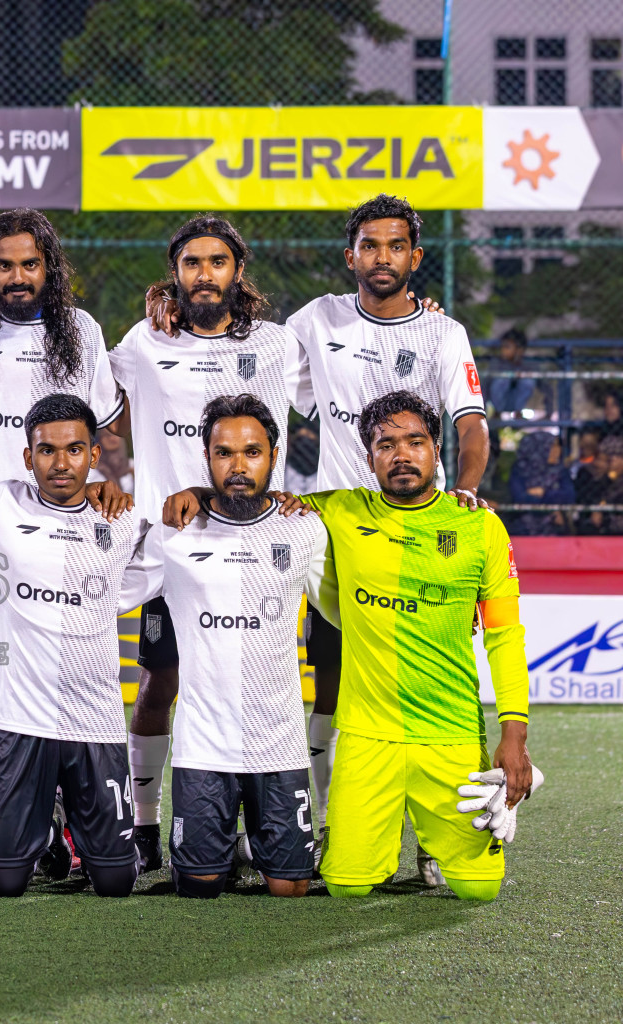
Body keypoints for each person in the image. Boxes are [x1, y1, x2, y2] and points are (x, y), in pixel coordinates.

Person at [166, 390, 535, 902]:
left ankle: (436, 844)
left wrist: (514, 737)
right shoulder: (335, 511)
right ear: (369, 458)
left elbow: (505, 637)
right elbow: (252, 498)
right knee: (345, 884)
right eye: (386, 444)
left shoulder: (480, 527)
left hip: (450, 734)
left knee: (479, 890)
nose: (401, 455)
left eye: (415, 442)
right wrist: (197, 491)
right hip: (366, 738)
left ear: (437, 450)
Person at [282, 195, 489, 866]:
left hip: (422, 530)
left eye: (395, 246)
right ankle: (333, 826)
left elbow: (469, 424)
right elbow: (259, 368)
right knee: (336, 682)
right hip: (340, 535)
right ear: (352, 257)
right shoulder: (317, 319)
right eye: (369, 246)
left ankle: (439, 838)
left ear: (415, 257)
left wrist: (466, 491)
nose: (381, 257)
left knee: (440, 684)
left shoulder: (442, 333)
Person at [106, 215, 311, 871]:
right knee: (158, 683)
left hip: (254, 543)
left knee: (251, 678)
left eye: (217, 262)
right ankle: (143, 824)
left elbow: (339, 394)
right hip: (169, 545)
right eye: (191, 263)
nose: (204, 274)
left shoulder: (278, 345)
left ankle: (269, 824)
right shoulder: (143, 342)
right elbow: (91, 404)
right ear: (175, 274)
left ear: (237, 272)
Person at [0, 209, 126, 861]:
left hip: (66, 534)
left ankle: (70, 818)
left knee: (66, 675)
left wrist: (100, 479)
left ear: (49, 268)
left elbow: (104, 430)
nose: (17, 276)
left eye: (29, 263)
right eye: (4, 265)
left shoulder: (83, 331)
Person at [123, 395, 330, 898]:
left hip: (278, 747)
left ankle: (258, 846)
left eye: (252, 452)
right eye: (224, 453)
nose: (238, 466)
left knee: (289, 889)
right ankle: (217, 850)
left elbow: (346, 608)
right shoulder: (174, 533)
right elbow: (106, 593)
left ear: (275, 457)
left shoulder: (304, 528)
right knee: (198, 887)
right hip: (202, 749)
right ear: (207, 458)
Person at [0, 394, 141, 897]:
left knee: (114, 882)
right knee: (4, 882)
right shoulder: (0, 503)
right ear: (28, 458)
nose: (60, 463)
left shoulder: (124, 519)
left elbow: (173, 544)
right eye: (46, 451)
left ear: (94, 454)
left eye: (74, 449)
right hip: (22, 719)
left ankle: (75, 828)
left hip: (97, 721)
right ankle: (43, 830)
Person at [506, 432, 572, 536]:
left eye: (558, 447)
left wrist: (544, 493)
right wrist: (551, 509)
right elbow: (519, 498)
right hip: (524, 529)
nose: (558, 451)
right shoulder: (519, 470)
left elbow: (569, 496)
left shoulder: (560, 470)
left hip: (554, 529)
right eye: (553, 447)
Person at [486, 328, 535, 417]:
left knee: (527, 382)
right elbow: (485, 386)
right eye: (502, 346)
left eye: (507, 347)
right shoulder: (497, 363)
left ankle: (517, 413)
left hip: (516, 402)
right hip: (499, 403)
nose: (503, 350)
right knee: (501, 380)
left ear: (519, 350)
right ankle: (497, 413)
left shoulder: (527, 364)